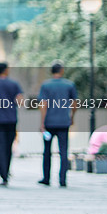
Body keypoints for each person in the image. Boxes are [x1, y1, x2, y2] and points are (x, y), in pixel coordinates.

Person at [37, 60, 78, 188]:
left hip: (49, 122)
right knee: (63, 151)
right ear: (62, 70)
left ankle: (46, 178)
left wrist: (42, 123)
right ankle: (62, 180)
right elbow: (75, 103)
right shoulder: (69, 85)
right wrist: (72, 117)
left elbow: (43, 104)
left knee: (47, 151)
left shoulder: (46, 85)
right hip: (63, 122)